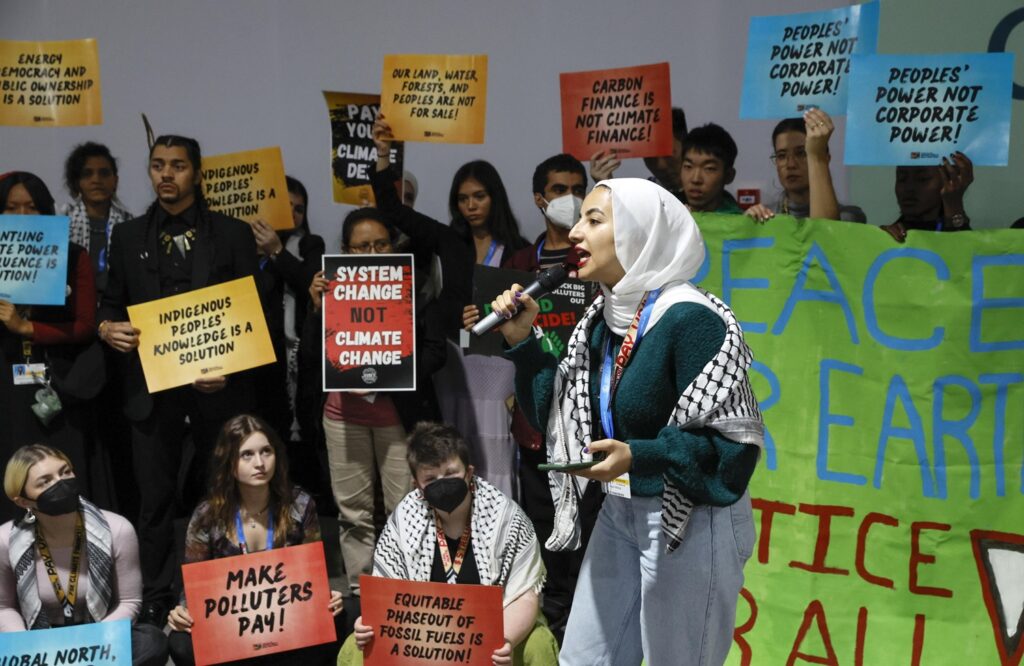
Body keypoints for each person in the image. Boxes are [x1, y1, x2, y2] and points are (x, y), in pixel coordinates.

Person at [493, 179, 762, 665]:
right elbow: (559, 418)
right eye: (580, 219)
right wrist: (522, 341)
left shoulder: (692, 319)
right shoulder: (603, 317)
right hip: (622, 510)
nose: (574, 232)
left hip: (691, 517)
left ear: (642, 233)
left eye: (594, 220)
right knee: (584, 658)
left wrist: (640, 455)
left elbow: (732, 453)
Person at [96, 134, 258, 625]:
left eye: (178, 166)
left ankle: (227, 588)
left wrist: (229, 366)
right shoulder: (126, 237)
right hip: (151, 390)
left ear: (197, 173)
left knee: (223, 493)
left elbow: (256, 311)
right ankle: (155, 596)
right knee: (154, 499)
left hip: (218, 387)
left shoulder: (231, 234)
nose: (166, 175)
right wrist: (107, 327)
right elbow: (109, 302)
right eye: (157, 165)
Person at [371, 115, 528, 498]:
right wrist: (383, 156)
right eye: (463, 198)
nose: (471, 205)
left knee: (495, 447)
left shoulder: (519, 249)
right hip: (456, 358)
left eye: (479, 196)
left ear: (495, 198)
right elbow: (393, 211)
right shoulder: (448, 239)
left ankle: (501, 523)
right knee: (457, 444)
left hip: (498, 360)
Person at [305, 208, 446, 601]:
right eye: (361, 246)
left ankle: (408, 593)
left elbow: (437, 353)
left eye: (380, 243)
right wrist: (317, 309)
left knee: (408, 510)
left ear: (394, 244)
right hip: (341, 416)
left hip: (397, 419)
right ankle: (361, 594)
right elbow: (311, 358)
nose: (372, 251)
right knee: (353, 512)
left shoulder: (414, 287)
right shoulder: (329, 288)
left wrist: (391, 366)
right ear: (346, 251)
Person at [342, 422, 558, 666]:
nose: (442, 482)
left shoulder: (506, 518)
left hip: (493, 632)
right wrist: (367, 624)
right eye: (431, 478)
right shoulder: (402, 523)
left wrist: (504, 641)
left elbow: (525, 595)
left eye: (451, 473)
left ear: (469, 472)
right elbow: (385, 599)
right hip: (424, 640)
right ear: (417, 486)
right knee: (355, 649)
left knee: (538, 644)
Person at [166, 415, 343, 665]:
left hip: (286, 619)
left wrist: (326, 595)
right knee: (180, 642)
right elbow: (194, 583)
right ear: (228, 462)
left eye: (266, 452)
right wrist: (183, 611)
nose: (259, 463)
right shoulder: (207, 515)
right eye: (246, 455)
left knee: (340, 617)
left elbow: (312, 574)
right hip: (232, 624)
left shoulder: (300, 504)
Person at [0, 172, 108, 526]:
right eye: (12, 207)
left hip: (59, 383)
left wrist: (27, 327)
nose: (23, 214)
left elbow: (85, 326)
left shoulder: (73, 255)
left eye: (31, 207)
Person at [0, 444, 168, 665]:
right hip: (40, 638)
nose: (61, 483)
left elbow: (129, 601)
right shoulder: (5, 540)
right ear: (23, 501)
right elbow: (4, 607)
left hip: (100, 632)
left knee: (152, 641)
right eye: (45, 481)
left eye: (65, 471)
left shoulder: (116, 528)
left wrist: (92, 649)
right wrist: (26, 649)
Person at [743, 109, 866, 224]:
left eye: (802, 153)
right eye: (781, 156)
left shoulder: (848, 217)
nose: (791, 164)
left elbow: (824, 237)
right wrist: (746, 227)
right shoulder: (766, 216)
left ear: (826, 158)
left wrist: (817, 157)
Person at [60, 142, 133, 298]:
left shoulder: (131, 224)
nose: (96, 180)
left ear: (115, 180)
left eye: (104, 173)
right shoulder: (62, 222)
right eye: (87, 174)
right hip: (71, 308)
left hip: (117, 309)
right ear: (76, 182)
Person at [590, 107, 688, 202]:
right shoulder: (643, 199)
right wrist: (607, 187)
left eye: (668, 154)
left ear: (685, 143)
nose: (660, 166)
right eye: (650, 156)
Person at [880, 153, 974, 243]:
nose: (909, 188)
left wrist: (954, 207)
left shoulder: (962, 235)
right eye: (902, 178)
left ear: (949, 180)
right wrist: (881, 240)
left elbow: (962, 253)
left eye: (922, 178)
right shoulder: (886, 236)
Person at [680, 123, 743, 213]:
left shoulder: (739, 221)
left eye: (709, 168)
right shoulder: (668, 209)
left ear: (729, 176)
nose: (695, 179)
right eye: (688, 166)